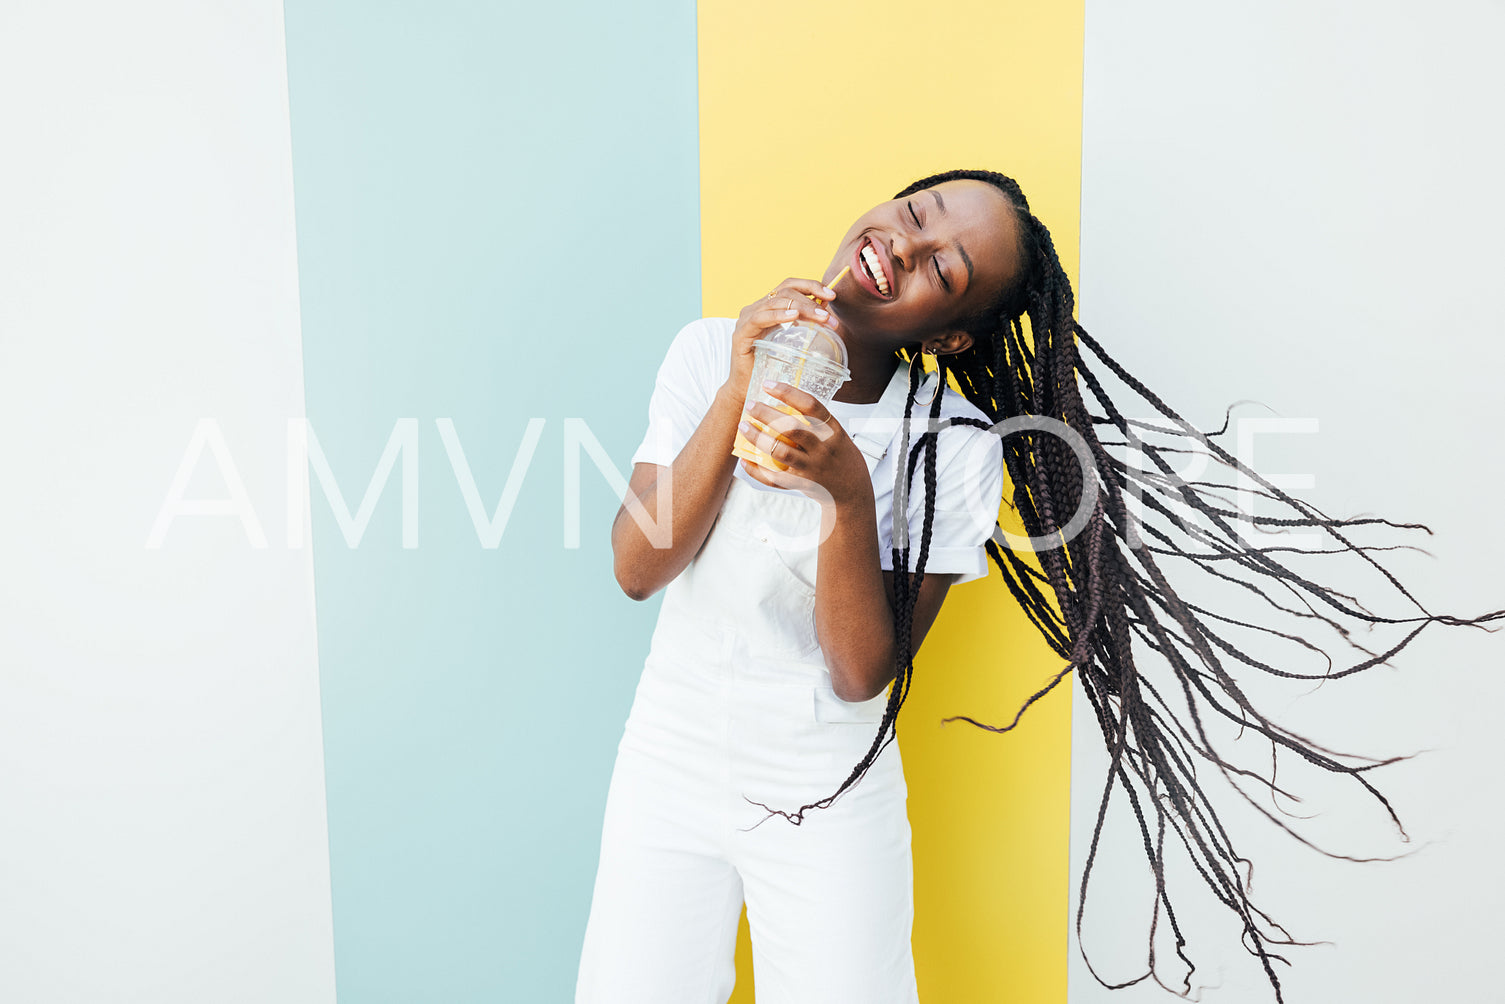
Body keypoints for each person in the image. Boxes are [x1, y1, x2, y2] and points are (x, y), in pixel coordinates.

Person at [575, 169, 1502, 1004]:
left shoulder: (956, 446)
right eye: (914, 213)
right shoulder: (710, 349)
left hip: (825, 786)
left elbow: (860, 677)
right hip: (670, 757)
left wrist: (849, 497)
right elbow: (635, 566)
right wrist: (743, 383)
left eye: (942, 268)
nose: (903, 243)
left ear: (948, 332)